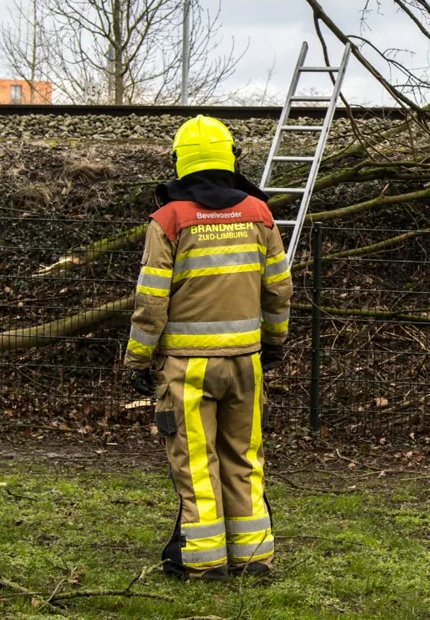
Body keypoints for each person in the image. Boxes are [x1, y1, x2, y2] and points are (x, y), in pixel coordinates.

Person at [124, 115, 292, 580]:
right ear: (230, 157)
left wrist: (138, 359)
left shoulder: (169, 220)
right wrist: (274, 342)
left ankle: (204, 563)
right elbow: (279, 289)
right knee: (244, 459)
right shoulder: (259, 215)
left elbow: (151, 299)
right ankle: (253, 556)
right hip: (245, 363)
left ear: (180, 161)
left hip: (187, 369)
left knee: (198, 464)